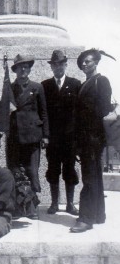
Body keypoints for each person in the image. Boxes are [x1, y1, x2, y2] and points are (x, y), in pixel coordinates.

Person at [70, 49, 113, 233]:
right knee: (94, 176)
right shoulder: (85, 83)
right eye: (83, 62)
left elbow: (104, 109)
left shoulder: (101, 81)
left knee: (89, 178)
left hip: (93, 138)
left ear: (96, 62)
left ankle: (86, 218)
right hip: (86, 138)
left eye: (88, 61)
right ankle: (98, 215)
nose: (84, 64)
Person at [41, 50, 81, 215]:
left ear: (66, 64)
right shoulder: (45, 86)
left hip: (70, 138)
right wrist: (45, 135)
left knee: (69, 170)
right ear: (51, 67)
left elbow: (79, 113)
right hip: (53, 139)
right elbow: (42, 112)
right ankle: (54, 203)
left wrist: (78, 138)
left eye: (60, 64)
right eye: (54, 65)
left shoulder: (75, 84)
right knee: (53, 169)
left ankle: (70, 204)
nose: (57, 67)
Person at [6, 54, 49, 196]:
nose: (23, 70)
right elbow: (3, 113)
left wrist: (45, 135)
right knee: (16, 170)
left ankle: (33, 205)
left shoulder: (37, 87)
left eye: (26, 67)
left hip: (33, 136)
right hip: (15, 135)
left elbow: (43, 113)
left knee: (32, 170)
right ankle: (19, 205)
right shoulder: (9, 89)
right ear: (15, 70)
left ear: (29, 70)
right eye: (20, 67)